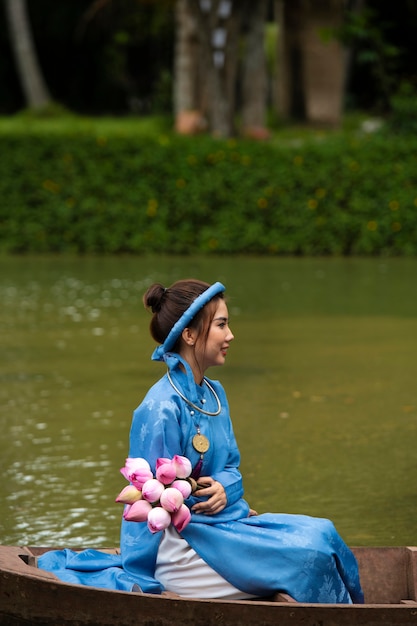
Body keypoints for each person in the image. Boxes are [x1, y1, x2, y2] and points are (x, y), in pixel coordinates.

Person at [39, 279, 364, 603]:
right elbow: (145, 497)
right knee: (310, 558)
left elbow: (232, 467)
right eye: (221, 324)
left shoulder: (215, 394)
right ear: (190, 334)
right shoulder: (159, 407)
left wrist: (225, 489)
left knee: (322, 533)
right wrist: (139, 572)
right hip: (181, 548)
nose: (230, 335)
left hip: (225, 525)